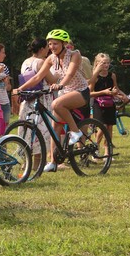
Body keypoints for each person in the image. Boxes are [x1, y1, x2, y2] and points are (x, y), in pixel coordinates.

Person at [14, 29, 91, 172]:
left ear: (64, 43)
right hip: (65, 93)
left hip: (80, 92)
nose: (51, 47)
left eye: (55, 44)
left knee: (56, 104)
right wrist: (20, 88)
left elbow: (70, 73)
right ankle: (53, 162)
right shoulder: (51, 59)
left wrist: (61, 84)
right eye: (49, 44)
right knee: (55, 127)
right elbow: (37, 77)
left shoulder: (75, 55)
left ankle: (76, 132)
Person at [17, 38, 55, 170]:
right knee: (41, 131)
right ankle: (38, 164)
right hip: (41, 98)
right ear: (42, 49)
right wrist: (60, 76)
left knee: (27, 131)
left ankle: (26, 162)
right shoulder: (41, 62)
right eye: (47, 47)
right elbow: (51, 79)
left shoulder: (25, 62)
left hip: (27, 99)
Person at [88, 53, 121, 158]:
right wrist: (104, 92)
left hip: (110, 104)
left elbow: (116, 88)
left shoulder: (112, 75)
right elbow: (90, 93)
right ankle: (95, 147)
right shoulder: (95, 77)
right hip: (98, 104)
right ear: (97, 63)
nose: (106, 65)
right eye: (103, 63)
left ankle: (107, 152)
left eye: (107, 63)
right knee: (102, 127)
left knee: (109, 127)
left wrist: (117, 93)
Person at [0, 42, 12, 122]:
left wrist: (6, 83)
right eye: (3, 52)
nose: (5, 55)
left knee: (5, 129)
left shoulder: (4, 67)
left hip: (5, 102)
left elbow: (9, 88)